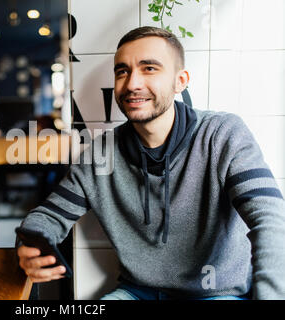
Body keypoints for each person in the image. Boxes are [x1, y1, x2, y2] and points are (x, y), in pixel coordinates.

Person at [16, 26, 285, 300]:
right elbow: (47, 217)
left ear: (180, 81)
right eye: (122, 71)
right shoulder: (101, 152)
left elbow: (271, 219)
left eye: (149, 68)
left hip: (216, 294)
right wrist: (32, 244)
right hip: (137, 294)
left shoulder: (222, 134)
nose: (132, 83)